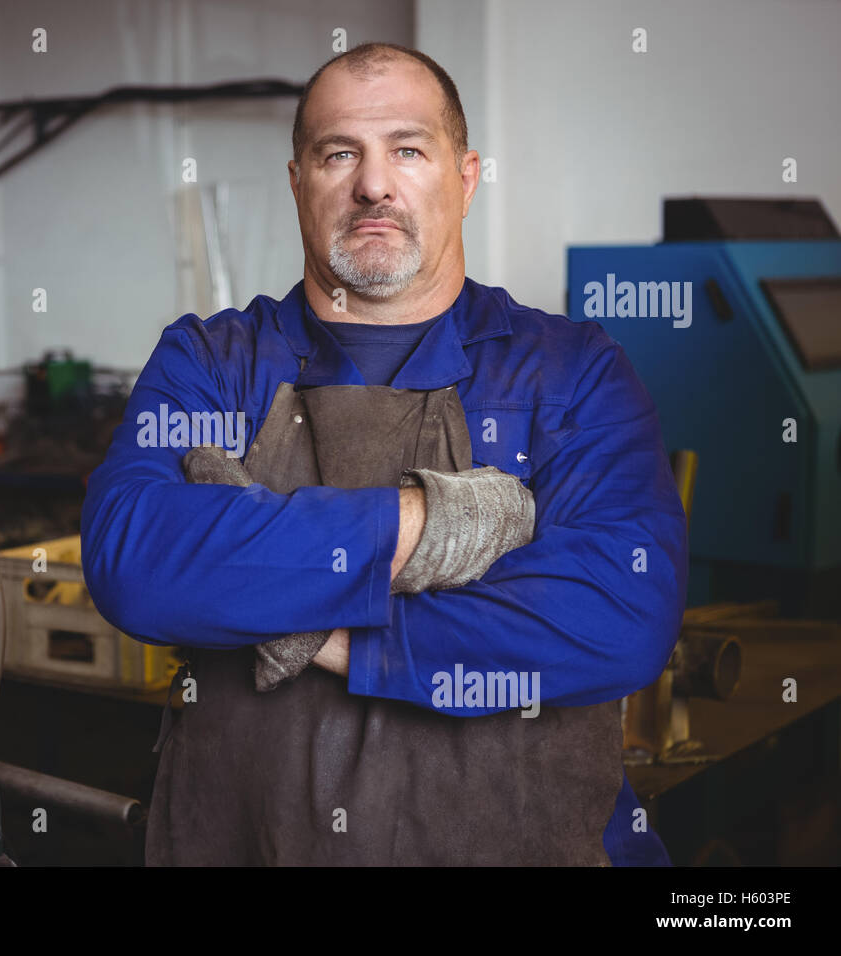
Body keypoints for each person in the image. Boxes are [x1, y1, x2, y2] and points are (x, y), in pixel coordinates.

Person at [81, 42, 688, 865]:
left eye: (408, 149)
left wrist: (318, 635)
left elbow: (620, 618)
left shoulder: (571, 373)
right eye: (340, 154)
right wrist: (429, 523)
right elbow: (134, 562)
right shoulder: (212, 363)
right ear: (298, 181)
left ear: (465, 178)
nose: (374, 184)